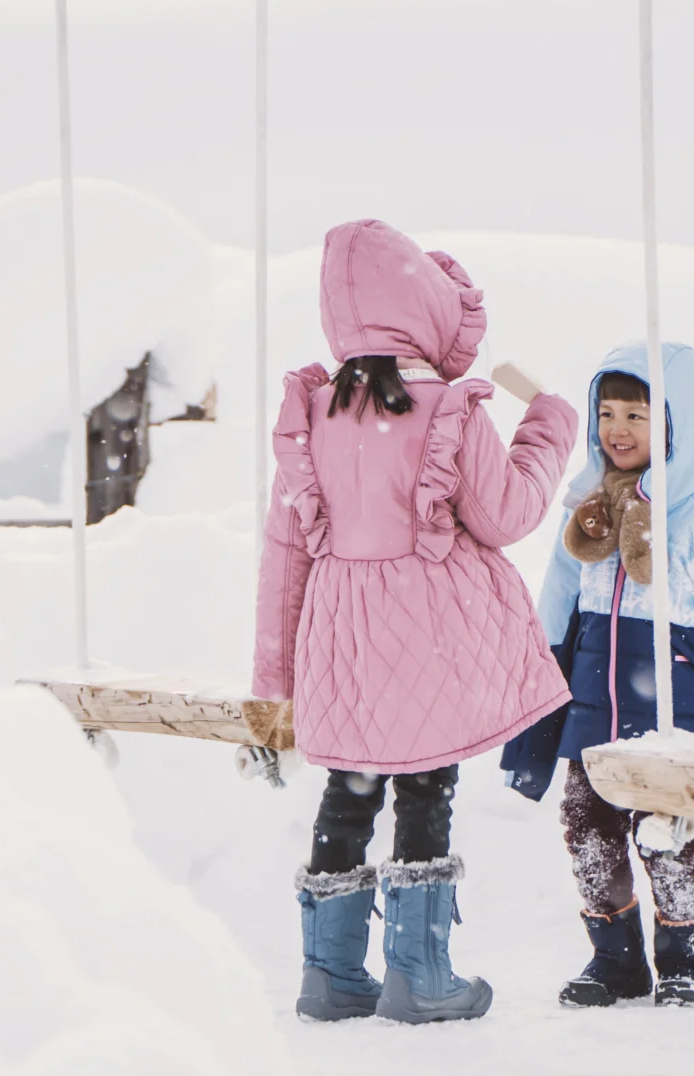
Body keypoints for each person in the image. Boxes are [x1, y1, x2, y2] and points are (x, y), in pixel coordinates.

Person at [252, 219, 578, 1024]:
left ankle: (328, 973)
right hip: (427, 633)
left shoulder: (312, 415)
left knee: (350, 786)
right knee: (425, 784)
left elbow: (283, 553)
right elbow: (505, 514)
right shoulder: (449, 409)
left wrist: (273, 680)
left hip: (339, 634)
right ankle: (418, 974)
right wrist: (549, 424)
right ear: (425, 311)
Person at [500, 341, 694, 1009]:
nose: (618, 429)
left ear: (675, 423)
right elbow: (553, 621)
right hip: (593, 722)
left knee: (671, 840)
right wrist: (533, 725)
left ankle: (684, 961)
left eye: (638, 414)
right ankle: (616, 961)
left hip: (675, 726)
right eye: (607, 413)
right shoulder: (585, 520)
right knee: (586, 831)